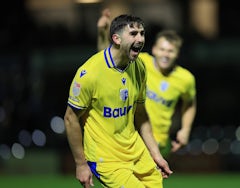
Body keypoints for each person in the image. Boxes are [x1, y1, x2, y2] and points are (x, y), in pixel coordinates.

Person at [64, 13, 173, 188]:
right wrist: (81, 164)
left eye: (142, 33)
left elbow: (141, 115)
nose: (140, 38)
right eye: (133, 34)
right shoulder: (89, 74)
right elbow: (70, 119)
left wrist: (156, 155)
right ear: (116, 38)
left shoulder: (139, 67)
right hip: (106, 158)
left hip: (136, 152)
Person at [97, 9, 197, 158]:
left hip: (160, 142)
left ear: (177, 53)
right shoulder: (141, 62)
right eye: (162, 49)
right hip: (133, 137)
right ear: (155, 49)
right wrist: (102, 33)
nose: (165, 54)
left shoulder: (185, 78)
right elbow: (108, 57)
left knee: (148, 181)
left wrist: (186, 129)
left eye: (170, 51)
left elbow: (190, 103)